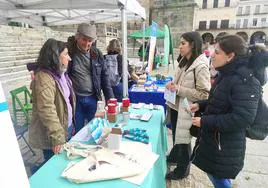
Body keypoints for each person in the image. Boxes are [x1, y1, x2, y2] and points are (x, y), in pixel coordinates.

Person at [190, 35, 262, 187]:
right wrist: (201, 105)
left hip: (226, 143)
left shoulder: (245, 80)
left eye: (216, 52)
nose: (212, 56)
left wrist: (204, 121)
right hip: (217, 139)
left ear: (230, 56)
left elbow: (242, 118)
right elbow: (220, 100)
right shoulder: (226, 73)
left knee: (218, 177)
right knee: (217, 175)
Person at [165, 31, 211, 180]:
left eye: (183, 43)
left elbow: (204, 94)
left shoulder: (201, 65)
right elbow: (179, 81)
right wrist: (172, 85)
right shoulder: (185, 60)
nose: (180, 46)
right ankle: (174, 157)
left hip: (187, 109)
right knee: (177, 136)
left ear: (192, 45)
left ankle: (182, 170)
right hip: (176, 105)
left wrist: (179, 89)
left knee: (184, 140)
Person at [28, 38, 75, 166]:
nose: (69, 58)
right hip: (54, 136)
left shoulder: (61, 74)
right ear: (55, 56)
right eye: (65, 54)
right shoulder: (44, 77)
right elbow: (46, 110)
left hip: (65, 129)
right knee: (55, 168)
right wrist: (57, 138)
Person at [67, 23, 114, 132]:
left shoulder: (97, 54)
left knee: (96, 130)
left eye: (90, 40)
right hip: (76, 100)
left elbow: (105, 78)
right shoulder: (69, 51)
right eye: (84, 39)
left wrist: (110, 99)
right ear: (77, 37)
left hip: (93, 98)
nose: (87, 43)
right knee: (78, 130)